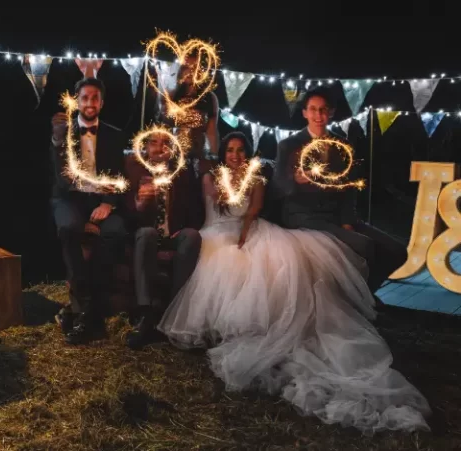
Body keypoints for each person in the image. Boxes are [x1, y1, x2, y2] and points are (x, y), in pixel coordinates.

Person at [157, 132, 431, 434]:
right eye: (230, 150)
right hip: (216, 231)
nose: (235, 155)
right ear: (224, 153)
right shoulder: (211, 177)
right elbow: (218, 204)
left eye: (240, 150)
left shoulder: (257, 178)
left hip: (250, 229)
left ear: (247, 153)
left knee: (274, 262)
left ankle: (273, 326)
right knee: (222, 264)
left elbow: (253, 210)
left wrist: (245, 234)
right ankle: (225, 325)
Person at [272, 87, 408, 297]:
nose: (318, 115)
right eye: (313, 109)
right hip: (303, 216)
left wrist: (347, 220)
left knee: (397, 251)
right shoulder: (288, 145)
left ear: (331, 112)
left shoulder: (343, 146)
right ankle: (357, 298)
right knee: (364, 246)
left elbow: (349, 189)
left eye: (323, 110)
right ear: (305, 113)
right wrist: (294, 180)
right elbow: (277, 186)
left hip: (336, 215)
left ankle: (365, 295)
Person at [50, 77, 127, 345]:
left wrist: (108, 203)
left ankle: (86, 309)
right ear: (77, 101)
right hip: (69, 199)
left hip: (100, 200)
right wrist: (59, 142)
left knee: (115, 231)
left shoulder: (115, 135)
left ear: (102, 103)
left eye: (95, 98)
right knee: (69, 227)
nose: (89, 103)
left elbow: (119, 177)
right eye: (84, 97)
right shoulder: (64, 134)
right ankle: (87, 308)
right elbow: (59, 182)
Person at [124, 132, 203, 349]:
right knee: (146, 233)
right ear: (146, 148)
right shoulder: (135, 171)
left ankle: (174, 311)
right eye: (153, 143)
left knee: (192, 236)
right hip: (146, 235)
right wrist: (139, 205)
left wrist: (184, 228)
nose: (160, 148)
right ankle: (145, 315)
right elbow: (125, 215)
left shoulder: (182, 174)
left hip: (173, 235)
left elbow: (196, 210)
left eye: (166, 143)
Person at [156, 57, 219, 159]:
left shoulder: (210, 98)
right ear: (181, 71)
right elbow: (164, 127)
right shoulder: (171, 95)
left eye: (194, 67)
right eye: (186, 67)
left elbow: (211, 132)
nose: (190, 71)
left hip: (200, 151)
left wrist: (213, 156)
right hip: (175, 152)